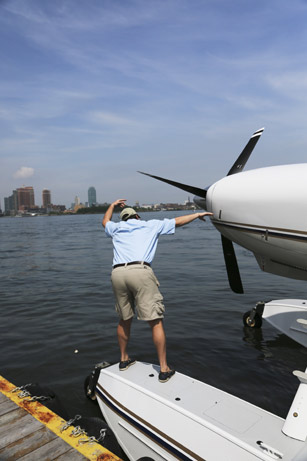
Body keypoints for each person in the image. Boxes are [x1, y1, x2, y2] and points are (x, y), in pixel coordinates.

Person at [102, 199, 213, 383]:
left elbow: (105, 221)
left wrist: (112, 205)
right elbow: (178, 221)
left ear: (123, 219)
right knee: (155, 321)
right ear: (137, 216)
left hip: (117, 273)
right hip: (140, 272)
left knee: (124, 318)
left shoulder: (116, 228)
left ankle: (123, 359)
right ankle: (164, 368)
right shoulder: (150, 225)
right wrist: (197, 214)